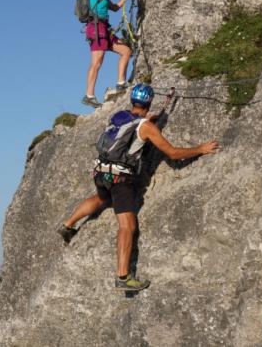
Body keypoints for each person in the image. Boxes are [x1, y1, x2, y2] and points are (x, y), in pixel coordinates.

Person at [58, 84, 220, 291]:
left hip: (101, 172)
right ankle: (123, 277)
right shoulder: (147, 127)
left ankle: (68, 225)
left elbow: (132, 131)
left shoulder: (120, 116)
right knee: (127, 226)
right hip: (121, 179)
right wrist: (200, 149)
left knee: (102, 199)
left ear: (133, 101)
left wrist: (147, 121)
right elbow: (172, 154)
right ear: (149, 103)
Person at [81, 0, 135, 109]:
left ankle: (120, 83)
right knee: (97, 62)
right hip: (96, 29)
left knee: (126, 51)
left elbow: (115, 8)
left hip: (104, 29)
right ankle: (89, 95)